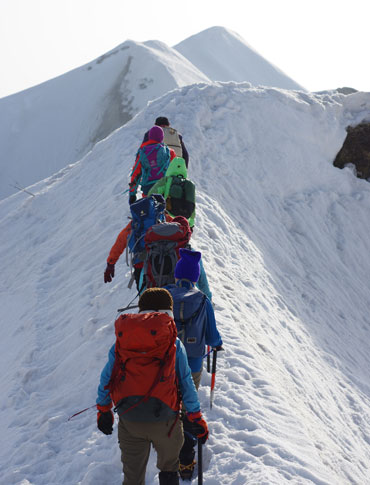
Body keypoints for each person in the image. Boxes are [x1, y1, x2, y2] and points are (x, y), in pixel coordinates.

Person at [96, 288, 209, 485]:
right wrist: (195, 416)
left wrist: (103, 409)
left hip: (130, 420)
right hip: (166, 422)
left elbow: (107, 378)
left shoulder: (122, 343)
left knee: (132, 478)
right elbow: (186, 382)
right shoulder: (173, 343)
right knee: (168, 470)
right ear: (169, 312)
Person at [165, 249, 223, 479]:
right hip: (193, 362)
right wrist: (218, 344)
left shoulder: (165, 295)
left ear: (177, 275)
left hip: (167, 360)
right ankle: (186, 459)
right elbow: (211, 337)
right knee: (189, 405)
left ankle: (167, 446)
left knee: (171, 403)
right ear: (196, 276)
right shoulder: (202, 299)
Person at [129, 126, 174, 204]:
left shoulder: (143, 152)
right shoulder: (168, 152)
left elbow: (135, 174)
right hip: (165, 189)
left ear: (150, 137)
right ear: (162, 137)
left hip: (148, 190)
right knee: (165, 213)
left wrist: (132, 194)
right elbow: (175, 171)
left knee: (151, 212)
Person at [148, 157, 196, 229]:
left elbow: (152, 194)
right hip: (183, 221)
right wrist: (191, 224)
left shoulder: (166, 180)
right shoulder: (189, 185)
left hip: (167, 217)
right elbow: (192, 205)